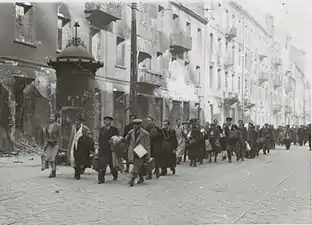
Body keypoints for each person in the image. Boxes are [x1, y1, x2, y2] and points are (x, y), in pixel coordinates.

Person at [126, 119, 151, 187]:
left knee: (136, 165)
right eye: (134, 124)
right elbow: (126, 140)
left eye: (136, 125)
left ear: (140, 125)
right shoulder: (131, 132)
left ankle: (132, 179)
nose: (135, 126)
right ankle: (141, 177)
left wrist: (148, 155)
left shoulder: (145, 133)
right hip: (132, 150)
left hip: (141, 150)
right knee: (138, 165)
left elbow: (148, 144)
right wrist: (128, 135)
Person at [98, 116, 119, 184]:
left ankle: (115, 175)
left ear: (110, 122)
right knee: (102, 165)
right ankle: (101, 179)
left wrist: (112, 141)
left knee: (112, 165)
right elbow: (100, 139)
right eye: (105, 120)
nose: (106, 122)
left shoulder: (114, 129)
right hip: (102, 150)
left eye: (108, 120)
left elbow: (117, 138)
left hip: (111, 150)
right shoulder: (101, 129)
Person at [41, 114, 61, 178]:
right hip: (49, 143)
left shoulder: (58, 126)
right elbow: (46, 135)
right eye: (50, 117)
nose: (51, 118)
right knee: (47, 157)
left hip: (55, 143)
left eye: (52, 117)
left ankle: (53, 171)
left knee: (53, 158)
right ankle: (46, 166)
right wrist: (46, 143)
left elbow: (59, 135)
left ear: (55, 118)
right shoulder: (47, 126)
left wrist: (57, 142)